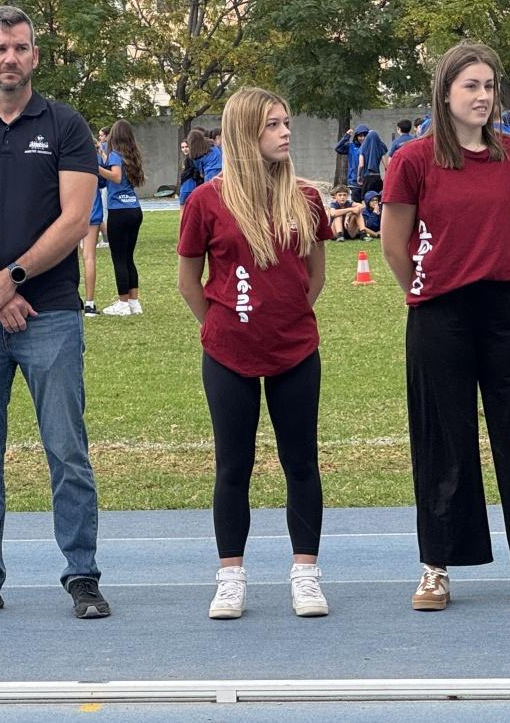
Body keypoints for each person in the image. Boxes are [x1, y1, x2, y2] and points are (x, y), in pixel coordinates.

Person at [0, 5, 108, 621]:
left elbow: (76, 217)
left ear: (35, 56)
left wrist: (15, 278)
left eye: (21, 48)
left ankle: (81, 573)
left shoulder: (65, 125)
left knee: (67, 451)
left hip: (51, 311)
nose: (10, 57)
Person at [380, 41, 510, 613]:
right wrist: (430, 283)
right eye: (471, 87)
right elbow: (393, 241)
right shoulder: (413, 160)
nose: (483, 97)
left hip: (505, 309)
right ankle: (436, 566)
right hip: (438, 312)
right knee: (441, 438)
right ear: (446, 93)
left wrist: (502, 270)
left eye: (489, 87)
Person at [177, 86, 331, 620]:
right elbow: (188, 281)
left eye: (286, 122)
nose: (286, 132)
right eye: (272, 124)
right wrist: (225, 324)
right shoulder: (206, 201)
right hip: (227, 354)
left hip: (295, 351)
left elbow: (315, 276)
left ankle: (306, 573)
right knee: (232, 466)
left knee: (300, 462)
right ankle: (230, 575)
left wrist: (285, 316)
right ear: (245, 133)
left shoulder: (306, 199)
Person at [98, 120, 145, 317]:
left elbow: (115, 177)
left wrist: (96, 167)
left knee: (118, 258)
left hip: (119, 210)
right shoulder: (131, 155)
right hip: (134, 209)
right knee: (128, 257)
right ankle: (134, 302)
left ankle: (123, 303)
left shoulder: (115, 155)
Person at [81, 155, 105, 317]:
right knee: (89, 257)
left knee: (65, 258)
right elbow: (103, 182)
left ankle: (72, 298)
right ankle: (89, 303)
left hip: (70, 212)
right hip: (92, 209)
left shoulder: (64, 151)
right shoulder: (94, 157)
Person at [334, 125, 368, 202]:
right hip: (354, 182)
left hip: (367, 181)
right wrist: (347, 136)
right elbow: (338, 148)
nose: (363, 138)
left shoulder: (370, 147)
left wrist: (373, 136)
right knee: (356, 205)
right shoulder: (351, 146)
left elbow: (383, 149)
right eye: (360, 136)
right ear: (356, 136)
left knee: (367, 205)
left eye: (365, 136)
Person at [357, 126, 388, 197]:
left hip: (367, 178)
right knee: (378, 199)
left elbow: (361, 164)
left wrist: (358, 176)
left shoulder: (362, 148)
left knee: (366, 199)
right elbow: (386, 166)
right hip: (377, 177)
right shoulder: (380, 148)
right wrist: (385, 177)